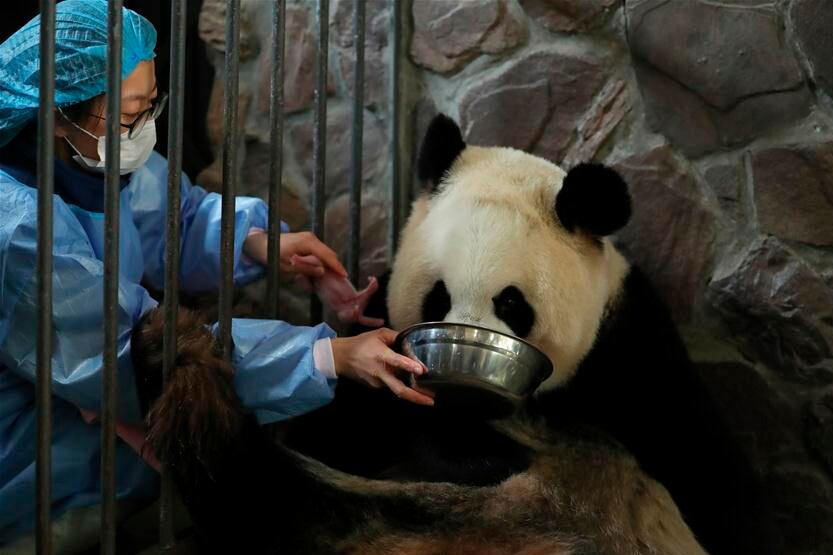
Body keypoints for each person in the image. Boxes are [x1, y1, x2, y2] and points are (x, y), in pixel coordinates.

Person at [0, 0, 432, 547]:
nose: (143, 131)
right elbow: (134, 354)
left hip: (81, 397)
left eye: (152, 106)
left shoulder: (94, 156)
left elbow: (176, 218)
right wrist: (326, 356)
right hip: (24, 446)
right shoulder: (17, 226)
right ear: (58, 115)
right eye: (130, 114)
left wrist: (259, 243)